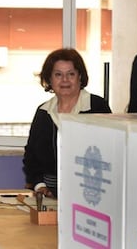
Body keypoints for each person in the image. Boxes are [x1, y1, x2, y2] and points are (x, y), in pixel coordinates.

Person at [23, 48, 111, 198]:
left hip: (91, 191)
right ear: (50, 79)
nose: (65, 80)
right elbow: (31, 156)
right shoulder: (43, 112)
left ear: (80, 77)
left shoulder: (97, 107)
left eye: (71, 74)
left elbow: (109, 152)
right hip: (48, 193)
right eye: (58, 75)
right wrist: (40, 185)